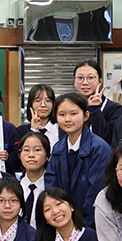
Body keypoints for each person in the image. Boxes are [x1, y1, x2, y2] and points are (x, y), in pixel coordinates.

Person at [44, 92, 111, 229]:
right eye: (62, 114)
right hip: (63, 223)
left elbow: (97, 192)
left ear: (86, 115)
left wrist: (83, 226)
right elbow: (52, 187)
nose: (67, 119)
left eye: (73, 114)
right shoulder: (58, 148)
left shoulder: (99, 149)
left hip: (93, 224)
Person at [73, 59, 122, 145]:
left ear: (100, 81)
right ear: (74, 82)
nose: (85, 83)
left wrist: (94, 109)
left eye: (91, 78)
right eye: (80, 78)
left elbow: (108, 140)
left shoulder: (114, 108)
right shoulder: (71, 107)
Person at [16, 130, 50, 232]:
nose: (31, 155)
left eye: (37, 150)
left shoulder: (53, 187)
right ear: (20, 156)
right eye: (26, 150)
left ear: (48, 156)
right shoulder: (14, 188)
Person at [17, 83, 59, 150]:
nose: (43, 105)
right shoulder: (21, 131)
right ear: (31, 104)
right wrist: (33, 130)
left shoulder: (60, 129)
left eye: (47, 101)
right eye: (38, 101)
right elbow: (19, 153)